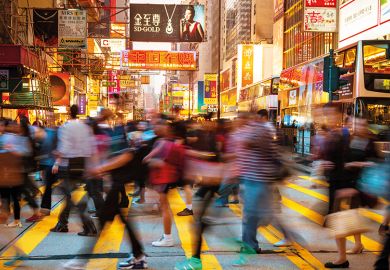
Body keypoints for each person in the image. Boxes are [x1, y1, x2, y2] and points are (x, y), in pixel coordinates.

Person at [50, 105, 97, 237]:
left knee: (69, 196)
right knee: (69, 195)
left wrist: (56, 160)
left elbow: (64, 147)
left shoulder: (65, 127)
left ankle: (87, 225)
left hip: (68, 165)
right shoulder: (85, 127)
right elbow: (90, 146)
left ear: (69, 112)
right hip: (83, 163)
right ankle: (62, 223)